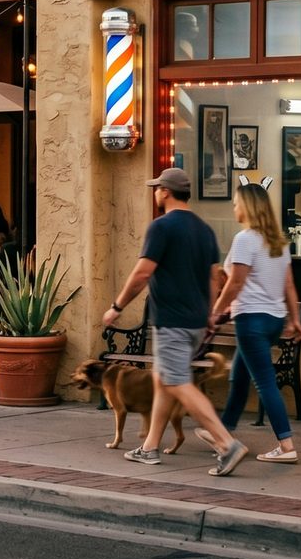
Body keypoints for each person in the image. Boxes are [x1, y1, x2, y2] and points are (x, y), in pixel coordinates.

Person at [102, 167, 250, 476]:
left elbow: (143, 273)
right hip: (196, 322)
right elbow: (214, 277)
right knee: (163, 380)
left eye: (157, 188)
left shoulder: (162, 227)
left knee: (177, 383)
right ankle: (149, 447)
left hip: (172, 322)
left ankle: (226, 443)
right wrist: (209, 314)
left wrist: (117, 306)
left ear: (166, 192)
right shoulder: (204, 230)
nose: (155, 192)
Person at [208, 182, 301, 464]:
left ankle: (286, 446)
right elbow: (288, 285)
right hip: (273, 319)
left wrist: (215, 312)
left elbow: (235, 283)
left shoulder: (245, 239)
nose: (234, 207)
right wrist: (295, 319)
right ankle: (223, 435)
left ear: (247, 207)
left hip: (251, 319)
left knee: (264, 383)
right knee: (239, 376)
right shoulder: (278, 242)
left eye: (236, 203)